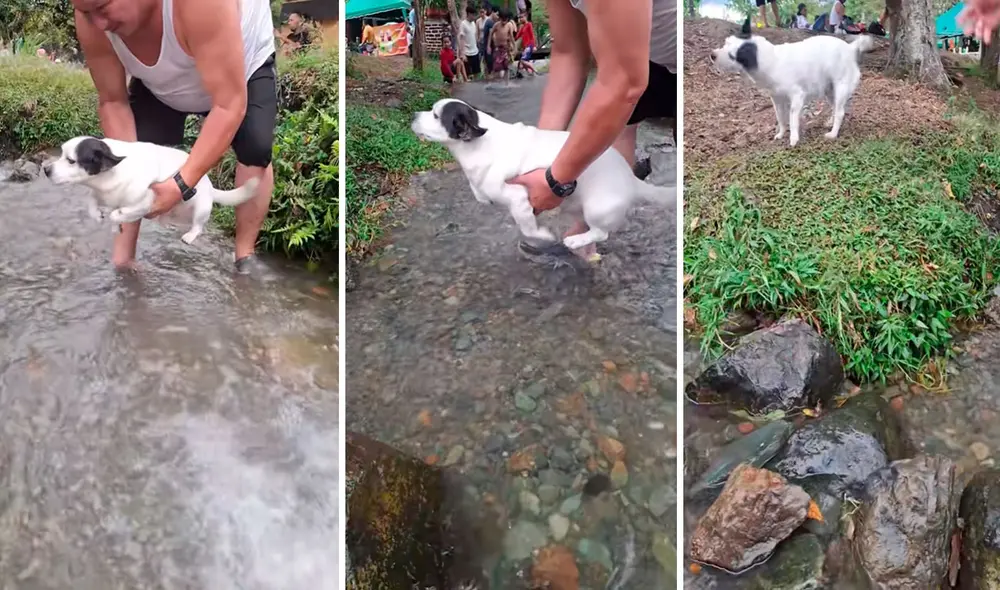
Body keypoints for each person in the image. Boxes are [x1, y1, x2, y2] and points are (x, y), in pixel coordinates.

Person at [70, 0, 276, 275]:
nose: (99, 24)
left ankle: (244, 257)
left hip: (241, 67)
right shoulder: (91, 17)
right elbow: (113, 102)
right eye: (87, 13)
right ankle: (123, 260)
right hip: (161, 81)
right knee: (131, 161)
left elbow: (228, 105)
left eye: (104, 7)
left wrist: (180, 184)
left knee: (255, 147)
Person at [508, 0, 677, 261]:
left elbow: (623, 83)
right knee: (618, 125)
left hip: (679, 58)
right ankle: (587, 230)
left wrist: (556, 181)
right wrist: (538, 159)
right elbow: (569, 51)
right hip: (642, 47)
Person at [459, 7, 481, 80]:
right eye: (473, 15)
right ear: (469, 14)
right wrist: (462, 54)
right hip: (467, 53)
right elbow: (461, 39)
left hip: (475, 51)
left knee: (476, 72)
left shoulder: (473, 23)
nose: (474, 17)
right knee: (467, 74)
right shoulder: (463, 24)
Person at [491, 10, 514, 78]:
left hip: (506, 48)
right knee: (498, 67)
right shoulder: (496, 25)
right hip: (498, 48)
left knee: (506, 66)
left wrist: (513, 45)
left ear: (507, 19)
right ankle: (496, 79)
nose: (504, 22)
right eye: (502, 20)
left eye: (505, 20)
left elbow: (511, 36)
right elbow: (491, 33)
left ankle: (506, 82)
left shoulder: (509, 25)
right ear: (500, 18)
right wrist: (489, 45)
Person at [515, 12, 536, 76]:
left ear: (525, 17)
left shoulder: (529, 24)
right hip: (525, 47)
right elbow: (517, 36)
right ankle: (530, 73)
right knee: (522, 63)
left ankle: (535, 70)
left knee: (523, 61)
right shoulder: (522, 27)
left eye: (522, 17)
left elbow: (532, 35)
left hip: (529, 45)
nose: (520, 19)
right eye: (520, 17)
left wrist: (534, 46)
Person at [481, 9, 497, 77]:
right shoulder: (490, 22)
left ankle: (488, 79)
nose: (497, 17)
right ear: (493, 12)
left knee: (488, 67)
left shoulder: (488, 21)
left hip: (487, 47)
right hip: (489, 48)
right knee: (491, 67)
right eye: (497, 15)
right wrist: (496, 46)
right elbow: (493, 36)